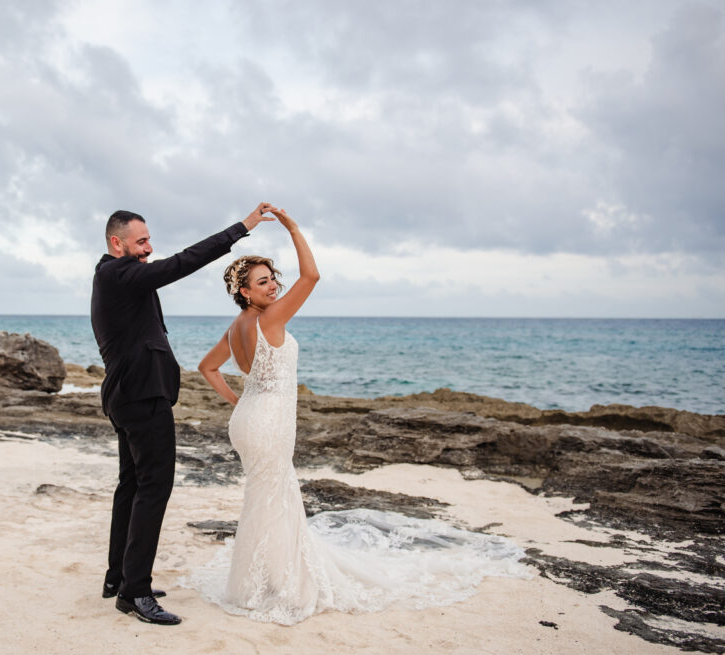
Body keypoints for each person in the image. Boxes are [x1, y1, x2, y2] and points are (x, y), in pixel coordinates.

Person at [185, 208, 530, 625]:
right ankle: (278, 584)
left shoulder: (236, 326)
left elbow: (208, 368)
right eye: (263, 282)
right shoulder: (269, 319)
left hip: (248, 422)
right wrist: (294, 228)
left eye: (273, 277)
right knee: (276, 500)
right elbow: (311, 277)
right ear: (244, 292)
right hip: (268, 423)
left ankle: (259, 581)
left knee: (266, 500)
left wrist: (241, 404)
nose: (274, 285)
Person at [90, 203, 276, 626]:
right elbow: (182, 263)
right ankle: (133, 592)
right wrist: (240, 229)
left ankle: (118, 577)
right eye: (141, 242)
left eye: (149, 240)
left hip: (127, 396)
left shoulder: (115, 278)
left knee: (132, 485)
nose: (149, 248)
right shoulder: (117, 273)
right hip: (141, 398)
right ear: (117, 243)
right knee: (154, 488)